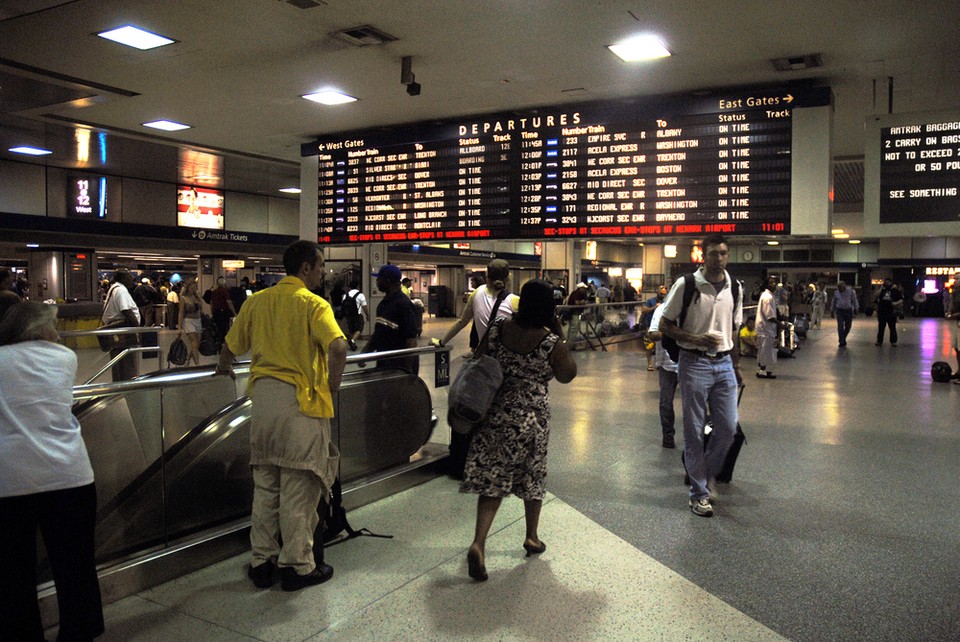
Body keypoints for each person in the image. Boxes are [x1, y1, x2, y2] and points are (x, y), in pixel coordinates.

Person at [215, 240, 347, 592]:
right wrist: (332, 387)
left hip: (263, 401)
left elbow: (230, 345)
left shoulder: (257, 302)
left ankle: (262, 562)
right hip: (299, 404)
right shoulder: (313, 304)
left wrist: (223, 366)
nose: (322, 272)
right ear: (305, 268)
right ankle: (297, 567)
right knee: (298, 489)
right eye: (320, 266)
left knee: (266, 487)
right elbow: (338, 346)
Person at [0, 301, 105, 641]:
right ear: (39, 329)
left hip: (11, 481)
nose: (57, 333)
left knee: (15, 572)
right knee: (76, 567)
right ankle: (80, 631)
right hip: (70, 475)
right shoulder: (66, 359)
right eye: (53, 326)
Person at [461, 279, 577, 581]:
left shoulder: (499, 329)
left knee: (492, 480)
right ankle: (531, 536)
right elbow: (567, 375)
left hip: (496, 410)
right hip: (532, 416)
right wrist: (560, 333)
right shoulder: (549, 341)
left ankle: (479, 542)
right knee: (533, 474)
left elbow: (481, 357)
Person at [660, 234, 743, 518]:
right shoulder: (687, 284)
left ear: (727, 255)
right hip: (693, 362)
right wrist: (696, 338)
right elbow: (665, 324)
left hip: (724, 365)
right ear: (703, 256)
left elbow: (735, 329)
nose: (718, 258)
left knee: (729, 428)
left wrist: (737, 366)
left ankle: (703, 474)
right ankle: (699, 493)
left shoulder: (736, 287)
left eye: (722, 253)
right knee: (694, 431)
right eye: (712, 254)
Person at [436, 259, 518, 353]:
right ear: (508, 278)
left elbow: (462, 322)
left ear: (487, 276)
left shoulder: (478, 292)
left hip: (485, 356)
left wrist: (442, 342)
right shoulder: (514, 301)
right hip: (507, 358)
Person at [361, 264, 420, 374]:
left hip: (399, 366)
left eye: (379, 279)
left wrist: (407, 372)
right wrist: (366, 351)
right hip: (385, 363)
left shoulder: (403, 305)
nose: (377, 282)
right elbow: (379, 333)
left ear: (388, 281)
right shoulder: (383, 304)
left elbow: (411, 341)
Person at [646, 304, 678, 449]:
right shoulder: (662, 310)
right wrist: (674, 333)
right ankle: (668, 435)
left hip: (691, 363)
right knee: (666, 402)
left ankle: (696, 438)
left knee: (694, 404)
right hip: (667, 364)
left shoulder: (693, 307)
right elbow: (652, 335)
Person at [101, 269, 141, 381]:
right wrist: (138, 330)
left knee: (119, 362)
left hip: (117, 330)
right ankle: (125, 387)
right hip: (123, 331)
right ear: (122, 279)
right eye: (129, 277)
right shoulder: (121, 290)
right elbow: (126, 311)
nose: (132, 279)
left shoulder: (114, 288)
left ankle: (120, 385)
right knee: (126, 363)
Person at [756, 275, 780, 379]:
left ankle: (763, 369)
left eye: (775, 282)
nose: (773, 284)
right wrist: (780, 324)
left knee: (764, 349)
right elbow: (769, 316)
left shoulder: (768, 295)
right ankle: (762, 370)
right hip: (765, 328)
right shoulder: (767, 297)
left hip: (765, 328)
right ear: (767, 284)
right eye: (771, 282)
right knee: (765, 350)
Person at [640, 285, 668, 370]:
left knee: (661, 346)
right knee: (649, 346)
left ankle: (659, 362)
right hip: (650, 326)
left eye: (664, 293)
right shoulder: (650, 301)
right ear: (657, 291)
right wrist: (655, 307)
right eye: (661, 291)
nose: (662, 294)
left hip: (661, 327)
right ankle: (649, 364)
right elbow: (644, 310)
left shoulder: (665, 303)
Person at [178, 280, 204, 366]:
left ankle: (188, 360)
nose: (193, 289)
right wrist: (180, 326)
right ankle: (197, 365)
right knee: (194, 343)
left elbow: (201, 307)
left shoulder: (197, 297)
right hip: (188, 321)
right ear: (187, 288)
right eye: (192, 288)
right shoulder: (183, 298)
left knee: (197, 344)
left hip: (198, 320)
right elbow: (181, 312)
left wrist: (199, 300)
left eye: (195, 288)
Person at [209, 277, 237, 348]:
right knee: (224, 329)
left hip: (216, 312)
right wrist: (234, 313)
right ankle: (223, 344)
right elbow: (229, 303)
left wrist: (212, 311)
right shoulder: (225, 291)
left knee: (218, 328)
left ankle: (218, 344)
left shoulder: (214, 291)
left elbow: (211, 303)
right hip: (224, 313)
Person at [874, 278, 903, 346]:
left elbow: (901, 299)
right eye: (886, 282)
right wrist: (881, 288)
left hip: (891, 311)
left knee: (892, 327)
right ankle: (879, 341)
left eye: (888, 282)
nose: (887, 284)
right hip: (882, 311)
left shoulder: (895, 291)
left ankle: (893, 341)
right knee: (881, 327)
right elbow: (875, 296)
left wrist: (895, 303)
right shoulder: (882, 290)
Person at [342, 277, 367, 351]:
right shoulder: (360, 295)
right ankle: (352, 341)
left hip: (348, 315)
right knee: (359, 329)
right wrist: (367, 315)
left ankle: (352, 342)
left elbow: (343, 305)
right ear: (357, 286)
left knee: (351, 330)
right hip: (357, 315)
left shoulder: (345, 295)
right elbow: (364, 307)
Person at [831, 281, 859, 347]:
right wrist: (832, 310)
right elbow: (834, 302)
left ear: (844, 286)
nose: (839, 289)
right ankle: (841, 341)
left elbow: (854, 300)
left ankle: (843, 337)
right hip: (839, 310)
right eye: (838, 287)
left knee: (848, 326)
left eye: (840, 287)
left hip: (848, 310)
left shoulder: (851, 291)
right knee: (840, 326)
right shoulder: (836, 293)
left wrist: (856, 308)